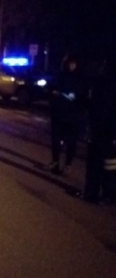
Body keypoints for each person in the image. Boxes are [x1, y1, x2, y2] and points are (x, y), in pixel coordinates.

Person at [45, 54, 89, 175]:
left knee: (71, 141)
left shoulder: (81, 78)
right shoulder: (60, 75)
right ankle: (55, 161)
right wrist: (54, 93)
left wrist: (77, 98)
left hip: (73, 116)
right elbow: (51, 89)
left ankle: (68, 164)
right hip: (59, 113)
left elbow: (84, 97)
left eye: (73, 63)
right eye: (69, 63)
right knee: (56, 139)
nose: (71, 66)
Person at [83, 57, 116, 203]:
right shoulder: (100, 83)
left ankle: (97, 192)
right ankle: (102, 193)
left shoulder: (100, 83)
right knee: (106, 165)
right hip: (104, 131)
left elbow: (94, 107)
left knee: (102, 164)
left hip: (103, 130)